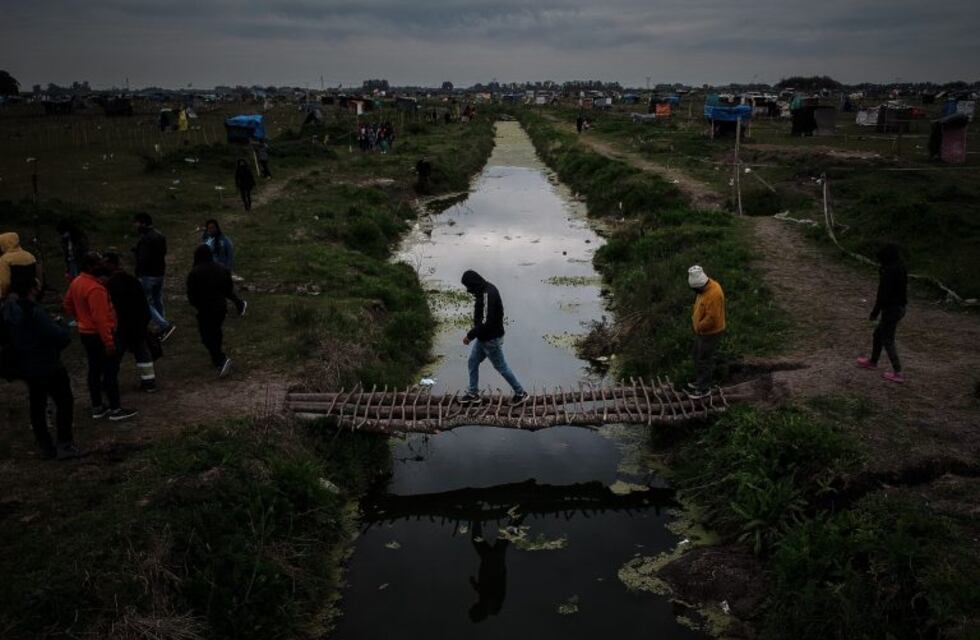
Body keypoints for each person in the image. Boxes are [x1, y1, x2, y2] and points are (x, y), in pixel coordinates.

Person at [1, 271, 79, 459]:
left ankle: (45, 445)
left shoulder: (7, 311)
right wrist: (63, 327)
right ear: (32, 289)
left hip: (26, 366)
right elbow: (58, 337)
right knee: (64, 402)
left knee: (37, 405)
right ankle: (65, 444)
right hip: (47, 364)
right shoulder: (34, 311)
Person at [63, 252, 138, 421]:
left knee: (94, 370)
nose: (102, 266)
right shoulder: (95, 288)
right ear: (90, 267)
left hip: (86, 334)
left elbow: (67, 304)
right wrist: (109, 342)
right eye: (98, 263)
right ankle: (115, 408)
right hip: (99, 335)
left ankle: (97, 407)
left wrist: (80, 318)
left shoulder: (77, 282)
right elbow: (101, 319)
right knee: (110, 372)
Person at [459, 270, 528, 406]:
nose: (468, 290)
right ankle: (473, 393)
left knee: (501, 367)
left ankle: (521, 393)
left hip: (491, 339)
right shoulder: (484, 289)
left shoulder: (487, 294)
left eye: (468, 286)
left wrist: (470, 336)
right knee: (472, 361)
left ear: (473, 283)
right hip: (484, 337)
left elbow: (486, 322)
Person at [186, 245, 247, 377]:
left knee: (206, 336)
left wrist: (196, 304)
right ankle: (218, 357)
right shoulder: (221, 268)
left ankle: (220, 359)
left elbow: (192, 294)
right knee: (216, 331)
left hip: (205, 308)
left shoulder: (195, 272)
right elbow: (228, 288)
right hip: (220, 306)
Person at [104, 252, 158, 393]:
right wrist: (144, 322)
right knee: (142, 353)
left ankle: (108, 382)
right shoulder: (132, 280)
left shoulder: (110, 285)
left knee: (115, 356)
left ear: (111, 264)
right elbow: (144, 304)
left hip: (122, 326)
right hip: (136, 324)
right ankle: (149, 381)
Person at [857, 244, 908, 383]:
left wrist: (875, 312)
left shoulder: (889, 272)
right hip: (899, 308)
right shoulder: (900, 267)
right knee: (878, 334)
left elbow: (882, 295)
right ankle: (873, 361)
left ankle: (898, 372)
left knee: (888, 340)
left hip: (891, 310)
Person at [132, 213, 176, 341]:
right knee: (157, 300)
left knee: (144, 302)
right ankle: (162, 325)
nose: (135, 226)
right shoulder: (160, 235)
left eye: (136, 223)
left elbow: (143, 259)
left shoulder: (145, 239)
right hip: (159, 272)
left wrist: (137, 266)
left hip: (147, 275)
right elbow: (163, 252)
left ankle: (164, 325)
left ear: (143, 223)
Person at [687, 265, 726, 398]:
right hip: (702, 332)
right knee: (696, 355)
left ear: (700, 285)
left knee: (704, 359)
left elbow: (712, 319)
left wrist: (699, 327)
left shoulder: (714, 294)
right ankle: (700, 382)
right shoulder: (704, 290)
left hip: (710, 333)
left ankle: (704, 389)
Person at [468, 520, 510, 623]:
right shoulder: (492, 606)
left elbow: (485, 592)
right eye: (475, 608)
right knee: (501, 540)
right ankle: (518, 516)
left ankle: (476, 517)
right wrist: (475, 585)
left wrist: (475, 585)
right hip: (494, 566)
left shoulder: (488, 604)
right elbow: (488, 593)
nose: (474, 605)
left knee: (502, 539)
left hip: (491, 564)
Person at [0, 232, 38, 300]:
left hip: (13, 296)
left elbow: (5, 282)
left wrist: (3, 295)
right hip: (30, 294)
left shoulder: (5, 259)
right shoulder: (30, 256)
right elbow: (35, 276)